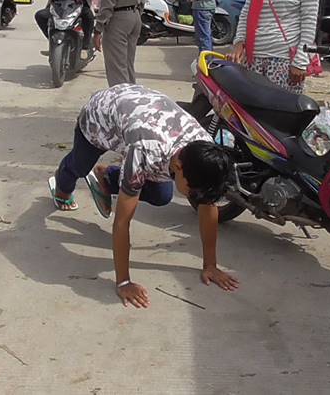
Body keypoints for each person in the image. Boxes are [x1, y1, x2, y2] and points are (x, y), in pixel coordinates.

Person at [49, 84, 239, 308]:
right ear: (178, 166)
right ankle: (62, 186)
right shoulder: (145, 151)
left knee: (161, 195)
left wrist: (211, 265)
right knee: (80, 166)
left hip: (141, 116)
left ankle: (107, 177)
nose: (198, 199)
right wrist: (123, 282)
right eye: (194, 192)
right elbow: (122, 222)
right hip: (100, 116)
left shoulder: (204, 150)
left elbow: (208, 205)